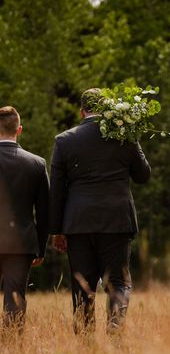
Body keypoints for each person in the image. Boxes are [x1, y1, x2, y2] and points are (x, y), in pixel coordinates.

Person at [49, 88, 151, 335]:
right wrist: (133, 138)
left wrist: (56, 231)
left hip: (78, 222)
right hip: (117, 220)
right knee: (118, 281)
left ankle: (85, 343)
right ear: (106, 109)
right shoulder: (124, 136)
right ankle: (115, 323)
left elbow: (56, 190)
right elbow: (143, 175)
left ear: (81, 110)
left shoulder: (64, 140)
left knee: (82, 286)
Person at [0, 106, 49, 332]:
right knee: (15, 296)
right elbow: (44, 210)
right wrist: (40, 247)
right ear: (19, 130)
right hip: (21, 242)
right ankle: (12, 347)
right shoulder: (36, 164)